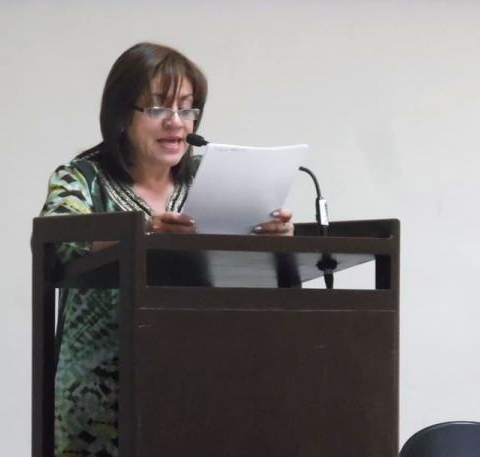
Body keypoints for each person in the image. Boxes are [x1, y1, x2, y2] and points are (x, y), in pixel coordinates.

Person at [40, 42, 293, 457]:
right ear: (122, 115)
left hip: (196, 385)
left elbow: (236, 278)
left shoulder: (208, 183)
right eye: (159, 108)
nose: (177, 123)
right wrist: (141, 231)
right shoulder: (82, 178)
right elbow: (59, 239)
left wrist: (270, 240)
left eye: (187, 109)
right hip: (101, 399)